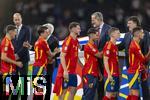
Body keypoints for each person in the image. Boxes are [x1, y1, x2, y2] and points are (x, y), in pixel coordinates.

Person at [118, 16, 150, 99]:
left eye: (130, 23)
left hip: (142, 67)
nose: (128, 25)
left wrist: (145, 66)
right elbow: (120, 46)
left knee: (143, 86)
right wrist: (111, 45)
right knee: (133, 89)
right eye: (127, 23)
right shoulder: (127, 35)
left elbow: (146, 49)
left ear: (135, 24)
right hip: (131, 67)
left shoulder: (145, 34)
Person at [53, 22, 82, 100]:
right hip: (66, 71)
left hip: (72, 71)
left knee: (73, 90)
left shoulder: (76, 41)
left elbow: (76, 56)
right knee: (63, 92)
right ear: (72, 29)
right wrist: (65, 71)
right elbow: (62, 56)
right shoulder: (68, 41)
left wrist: (83, 67)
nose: (80, 30)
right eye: (78, 28)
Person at [32, 26, 59, 99]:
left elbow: (44, 55)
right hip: (40, 67)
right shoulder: (44, 41)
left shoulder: (37, 41)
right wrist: (56, 51)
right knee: (40, 88)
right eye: (46, 32)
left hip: (37, 66)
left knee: (37, 88)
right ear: (41, 33)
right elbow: (50, 54)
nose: (48, 33)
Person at [91, 11, 111, 100]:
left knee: (108, 85)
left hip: (106, 62)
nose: (92, 22)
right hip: (96, 62)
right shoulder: (94, 30)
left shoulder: (108, 29)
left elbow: (109, 44)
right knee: (99, 85)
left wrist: (101, 54)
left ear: (99, 18)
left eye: (93, 19)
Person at [11, 13, 31, 99]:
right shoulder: (11, 30)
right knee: (14, 80)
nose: (17, 21)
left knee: (23, 79)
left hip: (23, 59)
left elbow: (26, 45)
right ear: (13, 20)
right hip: (13, 59)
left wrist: (17, 55)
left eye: (18, 19)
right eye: (15, 20)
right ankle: (15, 96)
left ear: (21, 19)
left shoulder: (27, 29)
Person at [127, 27, 150, 100]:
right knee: (135, 94)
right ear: (138, 34)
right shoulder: (135, 46)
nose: (143, 34)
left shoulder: (135, 44)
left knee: (131, 93)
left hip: (133, 71)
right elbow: (144, 60)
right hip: (134, 72)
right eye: (142, 32)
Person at [0, 25, 23, 99]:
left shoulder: (8, 42)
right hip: (7, 72)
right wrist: (16, 63)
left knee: (14, 91)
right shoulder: (6, 42)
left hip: (10, 71)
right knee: (10, 92)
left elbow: (10, 56)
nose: (15, 34)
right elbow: (3, 57)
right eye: (15, 32)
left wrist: (23, 50)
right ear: (10, 32)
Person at [82, 28, 103, 100]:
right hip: (89, 74)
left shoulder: (94, 46)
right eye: (96, 34)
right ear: (91, 35)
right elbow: (99, 55)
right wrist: (107, 47)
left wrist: (99, 72)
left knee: (92, 94)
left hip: (94, 73)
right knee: (88, 94)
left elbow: (95, 61)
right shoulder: (89, 46)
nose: (98, 36)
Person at [42, 23, 60, 99]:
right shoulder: (42, 38)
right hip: (42, 63)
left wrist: (51, 58)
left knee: (48, 81)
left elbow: (57, 53)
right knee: (41, 81)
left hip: (50, 63)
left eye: (45, 28)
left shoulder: (54, 40)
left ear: (49, 31)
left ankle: (47, 97)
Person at [103, 27, 120, 100]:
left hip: (115, 74)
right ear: (112, 35)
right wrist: (109, 74)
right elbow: (105, 60)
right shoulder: (108, 46)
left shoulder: (115, 46)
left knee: (114, 94)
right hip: (110, 74)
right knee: (108, 94)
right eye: (118, 33)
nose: (119, 35)